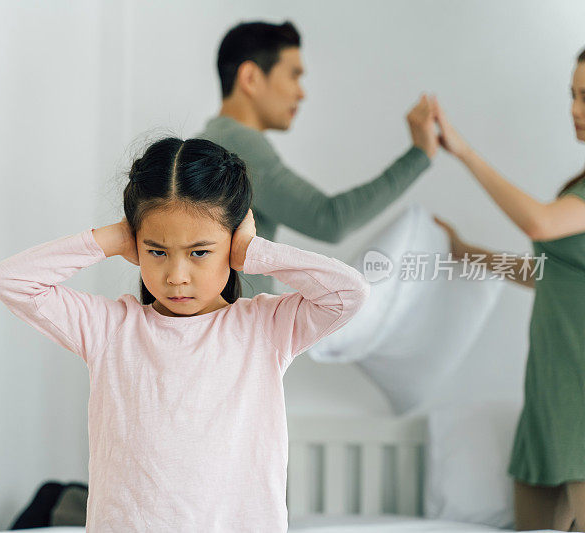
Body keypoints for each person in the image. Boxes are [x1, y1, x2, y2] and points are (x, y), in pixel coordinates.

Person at [0, 136, 370, 531]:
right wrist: (113, 238)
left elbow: (349, 293)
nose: (176, 276)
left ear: (232, 242)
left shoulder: (264, 329)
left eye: (199, 252)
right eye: (157, 252)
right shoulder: (109, 329)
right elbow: (12, 281)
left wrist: (254, 252)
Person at [432, 47, 585, 532]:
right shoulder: (576, 187)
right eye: (573, 95)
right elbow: (550, 273)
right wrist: (468, 252)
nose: (575, 110)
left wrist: (464, 152)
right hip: (551, 396)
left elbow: (538, 223)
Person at [196, 20, 439, 297]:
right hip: (238, 333)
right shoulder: (237, 145)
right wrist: (420, 154)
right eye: (294, 75)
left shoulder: (212, 139)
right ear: (250, 77)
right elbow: (330, 219)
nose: (301, 92)